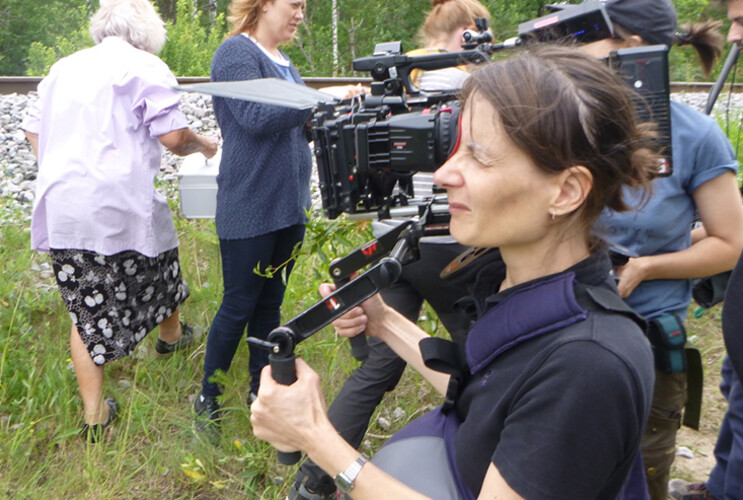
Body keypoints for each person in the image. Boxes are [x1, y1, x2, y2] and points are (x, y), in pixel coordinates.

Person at [250, 45, 659, 499]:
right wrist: (384, 322)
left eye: (479, 157)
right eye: (454, 149)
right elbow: (485, 394)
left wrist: (316, 438)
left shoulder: (589, 364)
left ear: (565, 192)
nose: (444, 173)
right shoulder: (525, 287)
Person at [288, 1, 488, 497]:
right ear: (465, 33)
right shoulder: (469, 87)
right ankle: (489, 456)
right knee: (482, 359)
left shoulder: (397, 84)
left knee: (378, 365)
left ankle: (313, 481)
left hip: (392, 243)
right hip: (449, 242)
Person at [573, 0, 743, 498]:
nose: (577, 50)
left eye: (591, 36)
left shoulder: (696, 138)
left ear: (631, 47)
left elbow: (730, 244)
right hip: (567, 335)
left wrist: (646, 267)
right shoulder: (569, 126)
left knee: (643, 474)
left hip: (648, 341)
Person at [21, 0, 218, 440]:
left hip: (67, 204)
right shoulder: (146, 66)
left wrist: (57, 168)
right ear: (147, 34)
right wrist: (204, 144)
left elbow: (33, 130)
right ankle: (160, 345)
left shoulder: (62, 67)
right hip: (119, 201)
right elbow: (173, 137)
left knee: (86, 304)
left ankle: (104, 408)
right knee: (158, 255)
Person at [193, 0, 360, 434]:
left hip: (289, 207)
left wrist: (330, 112)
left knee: (270, 303)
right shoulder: (235, 54)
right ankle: (207, 398)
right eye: (295, 4)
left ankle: (258, 389)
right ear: (264, 4)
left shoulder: (284, 63)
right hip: (249, 204)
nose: (301, 13)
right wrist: (318, 99)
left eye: (304, 6)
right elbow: (255, 116)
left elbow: (297, 124)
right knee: (239, 303)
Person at [669, 0, 743, 497]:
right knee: (738, 387)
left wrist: (675, 242)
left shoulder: (696, 136)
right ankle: (720, 485)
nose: (731, 36)